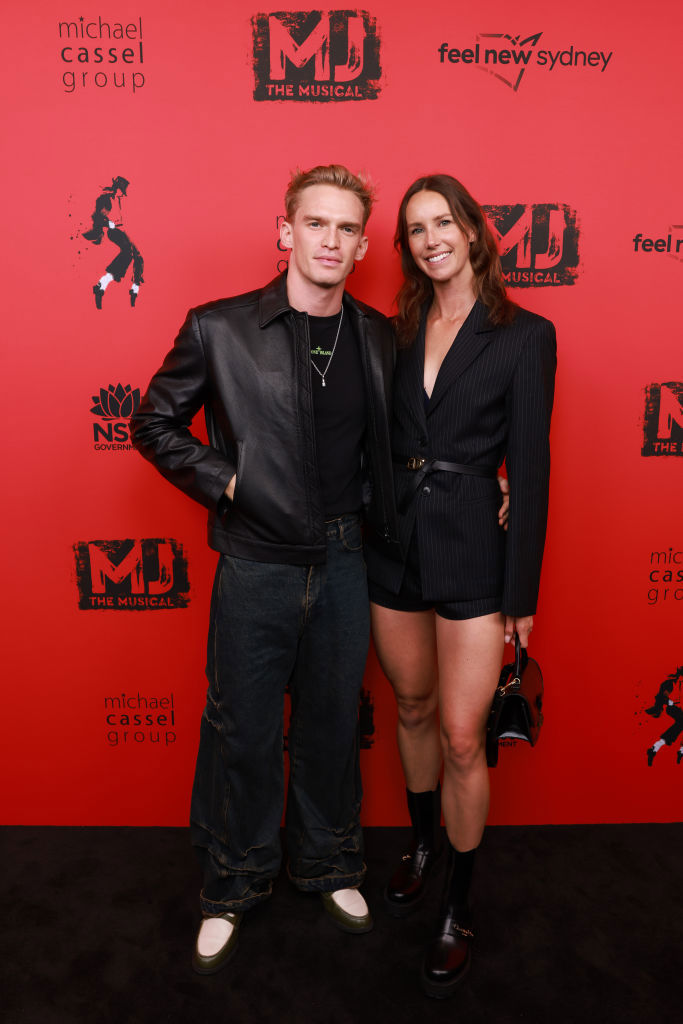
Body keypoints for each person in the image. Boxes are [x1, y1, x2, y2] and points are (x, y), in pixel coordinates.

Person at [130, 164, 400, 974]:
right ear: (285, 231)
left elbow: (395, 445)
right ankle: (232, 882)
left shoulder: (377, 334)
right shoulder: (219, 328)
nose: (330, 239)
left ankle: (327, 864)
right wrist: (228, 481)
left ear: (359, 246)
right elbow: (153, 422)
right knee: (241, 730)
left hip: (348, 557)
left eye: (346, 228)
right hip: (255, 563)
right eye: (315, 223)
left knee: (326, 726)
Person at [365, 174, 557, 998]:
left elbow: (534, 468)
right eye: (414, 229)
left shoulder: (525, 334)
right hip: (395, 545)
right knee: (408, 706)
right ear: (405, 247)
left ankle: (458, 904)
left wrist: (521, 595)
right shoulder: (395, 328)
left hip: (477, 549)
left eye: (443, 221)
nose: (429, 238)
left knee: (461, 736)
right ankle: (419, 841)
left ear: (475, 231)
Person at [83, 175, 144, 308]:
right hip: (114, 230)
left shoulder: (118, 199)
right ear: (118, 188)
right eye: (123, 190)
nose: (124, 193)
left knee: (138, 256)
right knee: (128, 251)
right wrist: (108, 222)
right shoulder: (107, 198)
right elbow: (98, 215)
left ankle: (135, 289)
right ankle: (102, 283)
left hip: (123, 230)